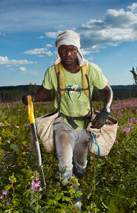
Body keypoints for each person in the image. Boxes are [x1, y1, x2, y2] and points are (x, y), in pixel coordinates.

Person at [22, 30, 113, 210]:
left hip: (86, 126)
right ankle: (72, 201)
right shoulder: (53, 71)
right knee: (64, 165)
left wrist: (106, 110)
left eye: (71, 49)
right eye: (63, 49)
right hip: (63, 124)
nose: (68, 54)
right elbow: (44, 92)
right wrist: (32, 96)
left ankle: (77, 178)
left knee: (80, 164)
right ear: (58, 51)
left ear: (77, 50)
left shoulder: (91, 70)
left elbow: (108, 90)